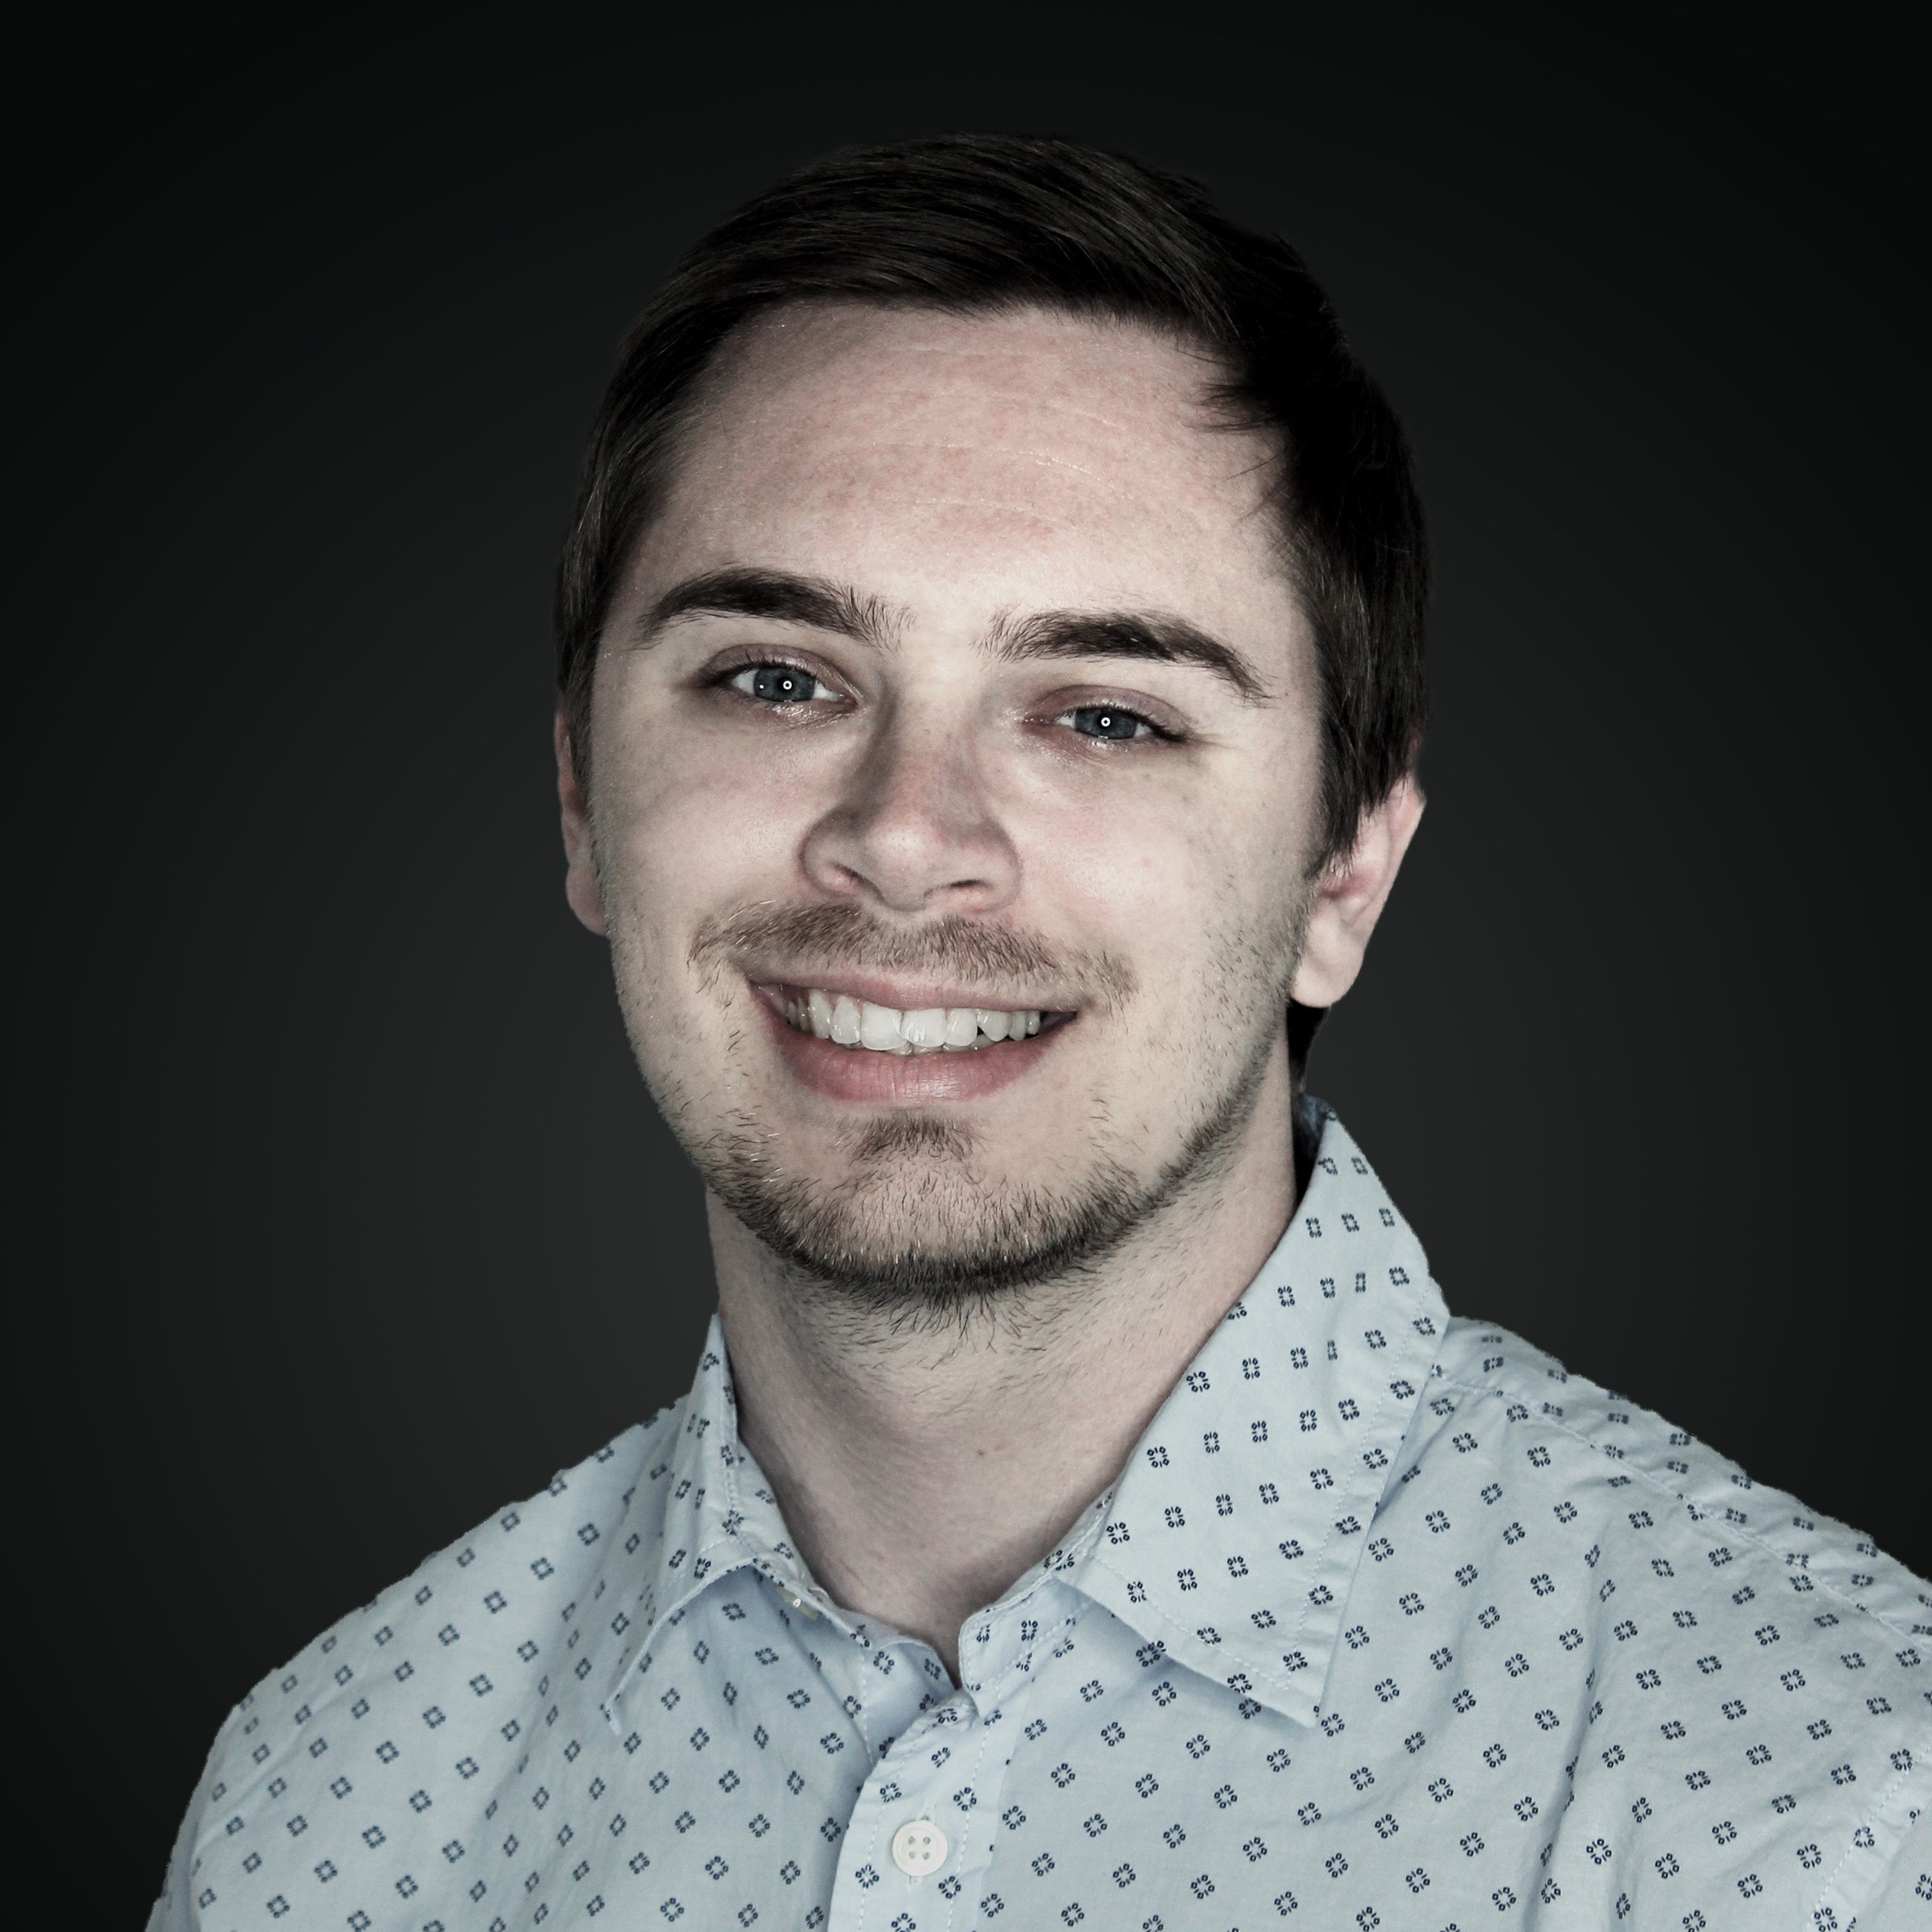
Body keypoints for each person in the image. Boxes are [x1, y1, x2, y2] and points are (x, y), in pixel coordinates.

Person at [151, 134, 1926, 1931]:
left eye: (1103, 716)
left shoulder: (1842, 1813)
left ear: (1344, 874)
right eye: (777, 678)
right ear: (580, 801)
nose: (907, 837)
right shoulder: (320, 1816)